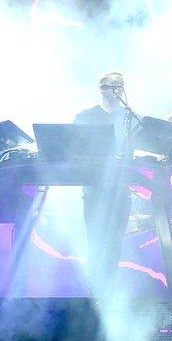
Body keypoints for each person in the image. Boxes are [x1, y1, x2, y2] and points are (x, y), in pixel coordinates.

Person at [73, 71, 139, 289]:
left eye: (121, 85)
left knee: (115, 244)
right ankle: (93, 290)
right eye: (114, 86)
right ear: (102, 89)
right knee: (95, 241)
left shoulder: (130, 118)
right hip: (95, 190)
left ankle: (108, 289)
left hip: (120, 190)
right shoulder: (86, 117)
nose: (119, 89)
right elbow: (73, 147)